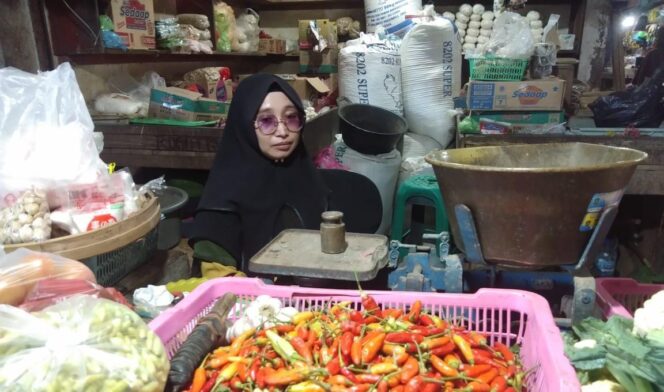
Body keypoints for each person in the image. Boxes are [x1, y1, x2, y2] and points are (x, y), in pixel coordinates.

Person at [189, 74, 331, 272]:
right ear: (244, 125)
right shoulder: (222, 201)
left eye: (291, 118)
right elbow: (219, 281)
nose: (282, 131)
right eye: (266, 121)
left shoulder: (308, 181)